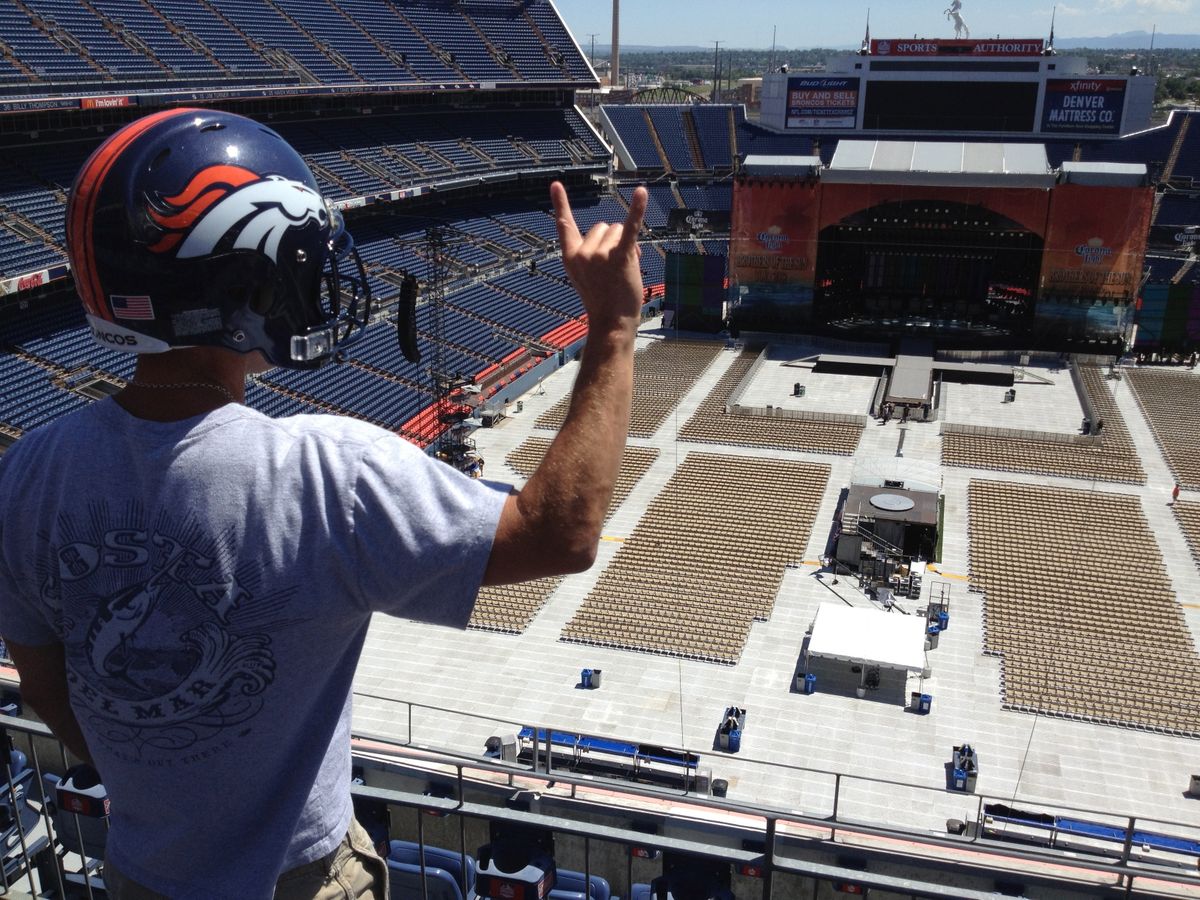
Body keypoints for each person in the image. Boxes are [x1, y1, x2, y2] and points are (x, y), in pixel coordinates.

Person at [0, 109, 648, 899]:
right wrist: (613, 325)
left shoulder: (29, 471)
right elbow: (562, 533)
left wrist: (156, 779)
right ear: (240, 285)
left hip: (141, 873)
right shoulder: (323, 472)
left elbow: (42, 680)